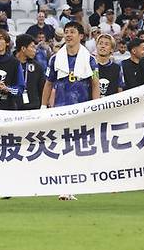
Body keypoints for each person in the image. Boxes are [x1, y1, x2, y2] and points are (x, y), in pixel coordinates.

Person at [42, 21, 99, 201]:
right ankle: (63, 187)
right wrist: (44, 106)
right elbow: (49, 83)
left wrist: (95, 106)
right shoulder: (54, 58)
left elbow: (95, 83)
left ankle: (76, 185)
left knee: (78, 149)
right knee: (62, 148)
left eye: (72, 32)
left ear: (81, 36)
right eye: (66, 32)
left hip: (82, 108)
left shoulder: (90, 59)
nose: (68, 35)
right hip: (61, 108)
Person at [14, 34, 46, 110]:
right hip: (13, 109)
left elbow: (42, 89)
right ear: (23, 48)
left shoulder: (38, 67)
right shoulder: (9, 64)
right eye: (32, 47)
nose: (35, 50)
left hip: (33, 109)